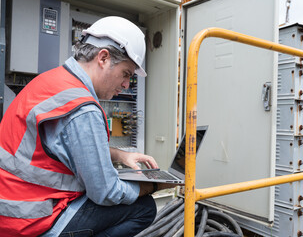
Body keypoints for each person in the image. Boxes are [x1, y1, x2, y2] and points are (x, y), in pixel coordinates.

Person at [0, 16, 176, 237]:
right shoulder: (83, 108)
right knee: (144, 207)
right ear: (103, 57)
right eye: (126, 74)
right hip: (31, 219)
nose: (125, 85)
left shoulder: (51, 81)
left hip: (11, 209)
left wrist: (120, 155)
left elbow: (66, 146)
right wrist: (154, 186)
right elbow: (105, 192)